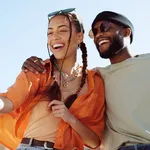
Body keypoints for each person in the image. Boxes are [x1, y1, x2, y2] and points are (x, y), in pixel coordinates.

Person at [23, 10, 150, 150]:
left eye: (105, 27)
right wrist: (34, 62)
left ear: (126, 32)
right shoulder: (97, 77)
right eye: (94, 32)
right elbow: (67, 71)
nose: (99, 34)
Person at [0, 8, 105, 150]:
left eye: (62, 30)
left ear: (79, 37)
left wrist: (70, 119)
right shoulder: (38, 71)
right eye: (50, 32)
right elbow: (9, 102)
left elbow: (94, 142)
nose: (54, 37)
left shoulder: (94, 82)